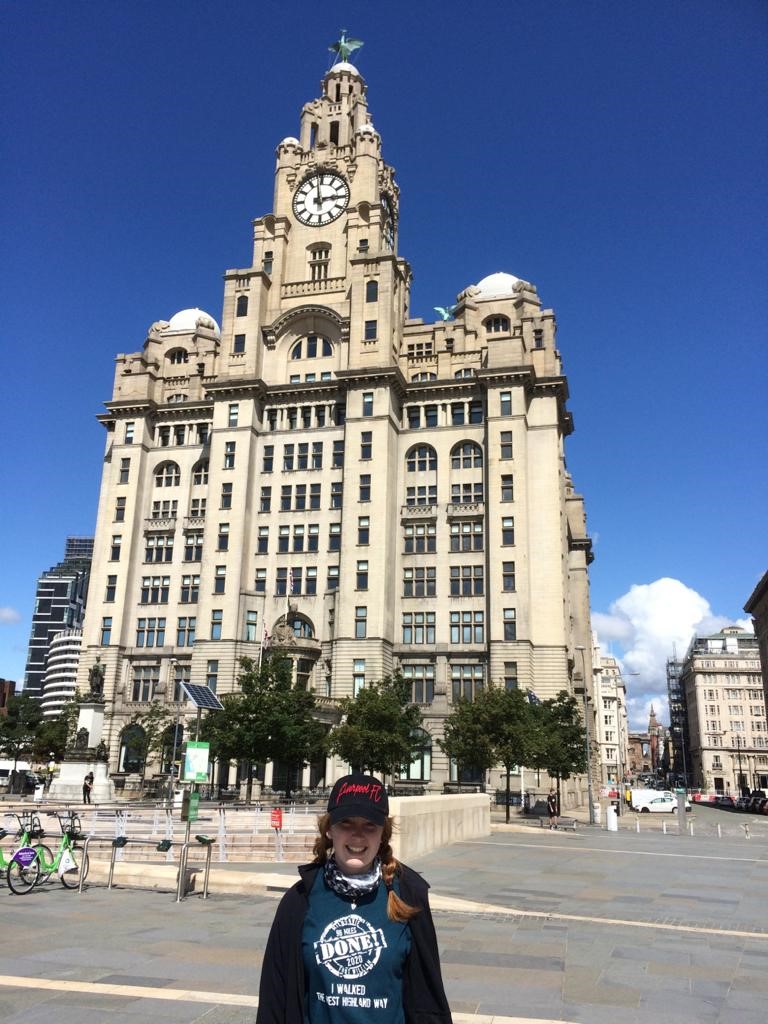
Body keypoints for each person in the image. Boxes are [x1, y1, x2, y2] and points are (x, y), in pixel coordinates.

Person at [256, 772, 453, 1024]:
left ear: (383, 833)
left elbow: (428, 999)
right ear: (329, 830)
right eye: (346, 823)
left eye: (370, 824)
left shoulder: (408, 897)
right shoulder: (299, 900)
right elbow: (274, 998)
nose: (358, 835)